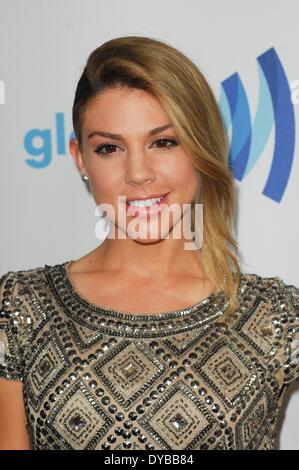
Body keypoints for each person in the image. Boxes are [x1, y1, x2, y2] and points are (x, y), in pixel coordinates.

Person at [0, 36, 298, 451]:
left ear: (201, 146)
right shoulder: (21, 306)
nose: (138, 173)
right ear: (81, 158)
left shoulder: (277, 317)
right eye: (109, 148)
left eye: (164, 141)